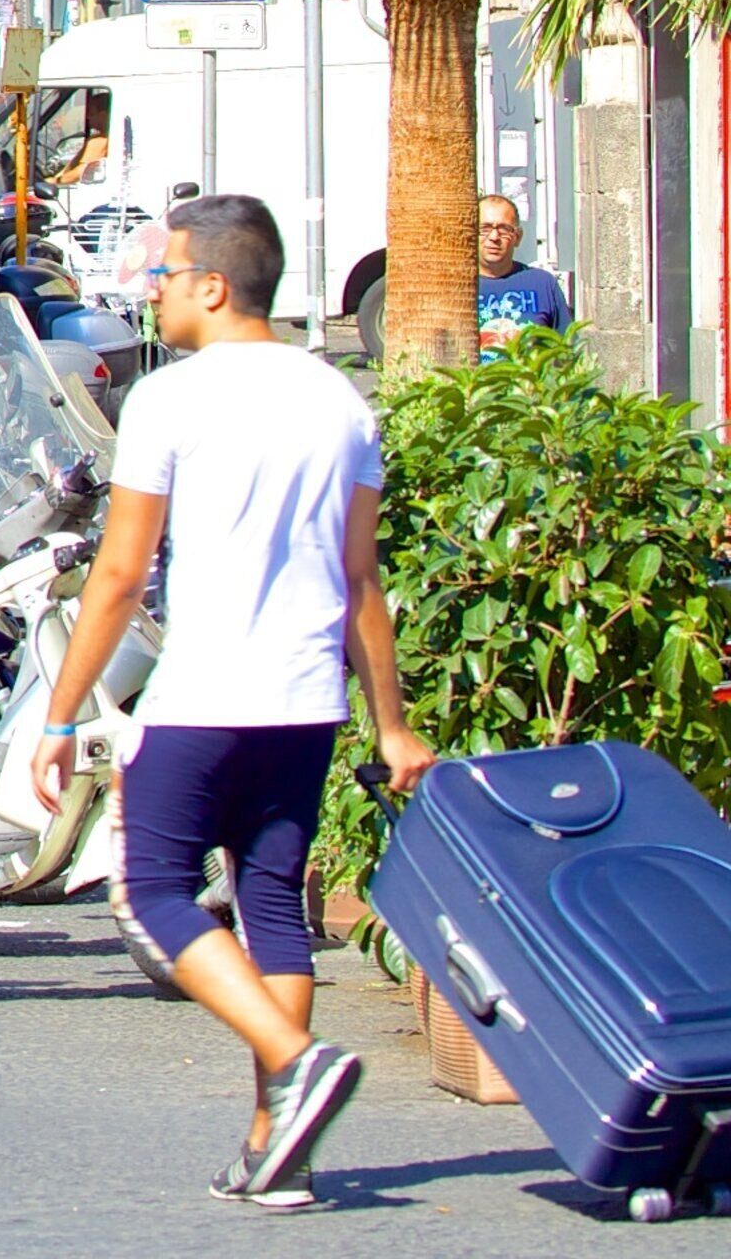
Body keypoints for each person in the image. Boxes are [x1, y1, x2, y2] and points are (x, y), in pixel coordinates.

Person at [32, 194, 431, 1209]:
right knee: (270, 904)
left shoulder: (171, 400)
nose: (152, 291)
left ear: (213, 285)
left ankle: (292, 1059)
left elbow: (120, 576)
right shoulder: (339, 397)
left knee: (150, 888)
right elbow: (362, 579)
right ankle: (276, 1152)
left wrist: (62, 712)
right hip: (308, 699)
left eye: (163, 275)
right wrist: (391, 723)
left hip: (208, 689)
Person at [474, 193, 571, 357]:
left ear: (517, 238)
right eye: (485, 229)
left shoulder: (542, 284)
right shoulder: (455, 287)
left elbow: (565, 351)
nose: (494, 237)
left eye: (504, 229)